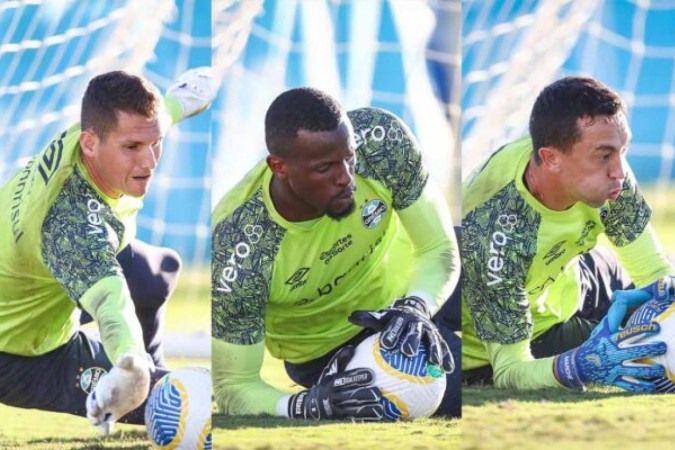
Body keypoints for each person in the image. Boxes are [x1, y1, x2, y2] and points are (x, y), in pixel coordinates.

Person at [212, 87, 461, 420]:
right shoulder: (238, 246)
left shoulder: (381, 141)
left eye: (349, 157)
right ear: (279, 166)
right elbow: (233, 387)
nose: (346, 178)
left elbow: (438, 248)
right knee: (459, 393)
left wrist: (416, 305)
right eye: (324, 168)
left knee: (488, 256)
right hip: (334, 348)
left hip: (416, 288)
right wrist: (305, 404)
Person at [0, 68, 214, 434]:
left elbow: (158, 117)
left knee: (156, 272)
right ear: (90, 144)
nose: (149, 162)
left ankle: (152, 358)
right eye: (132, 148)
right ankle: (146, 371)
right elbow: (111, 305)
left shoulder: (96, 132)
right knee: (186, 404)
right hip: (21, 354)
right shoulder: (71, 225)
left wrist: (186, 100)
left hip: (44, 279)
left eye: (155, 143)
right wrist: (130, 365)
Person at [459, 76, 674, 391]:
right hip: (524, 333)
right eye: (604, 156)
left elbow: (655, 274)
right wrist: (577, 366)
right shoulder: (492, 233)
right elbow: (510, 369)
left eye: (622, 151)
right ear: (551, 159)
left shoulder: (606, 170)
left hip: (576, 276)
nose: (619, 170)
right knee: (652, 356)